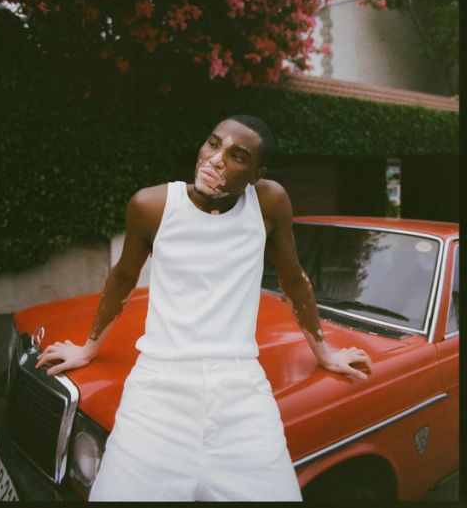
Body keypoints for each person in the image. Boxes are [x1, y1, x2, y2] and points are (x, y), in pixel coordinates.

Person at [36, 114, 373, 501]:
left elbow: (294, 280)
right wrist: (88, 348)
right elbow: (123, 278)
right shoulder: (152, 205)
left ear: (256, 175)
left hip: (242, 391)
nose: (216, 159)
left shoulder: (269, 203)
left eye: (237, 156)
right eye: (214, 144)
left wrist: (325, 353)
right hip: (157, 390)